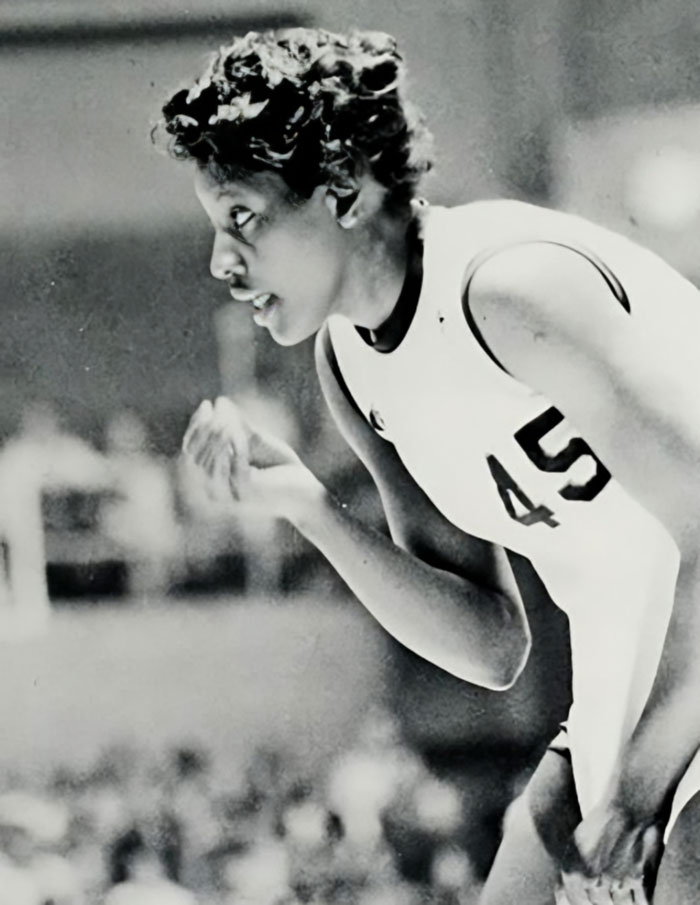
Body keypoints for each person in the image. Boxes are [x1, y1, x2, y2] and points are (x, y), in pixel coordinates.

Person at [155, 27, 700, 904]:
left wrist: (639, 786)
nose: (222, 261)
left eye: (242, 218)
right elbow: (491, 644)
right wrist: (309, 507)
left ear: (343, 188)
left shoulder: (511, 287)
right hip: (633, 681)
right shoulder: (350, 364)